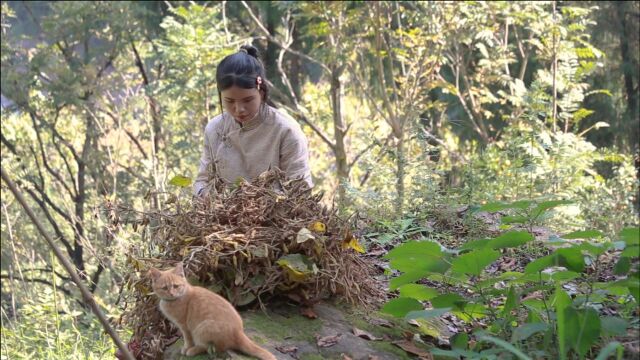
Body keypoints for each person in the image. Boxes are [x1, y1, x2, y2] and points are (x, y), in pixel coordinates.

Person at [193, 45, 313, 197]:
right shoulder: (214, 129)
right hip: (223, 218)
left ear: (261, 92)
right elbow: (202, 181)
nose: (239, 109)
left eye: (247, 100)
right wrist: (207, 198)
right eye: (230, 101)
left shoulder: (286, 130)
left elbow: (301, 191)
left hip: (277, 218)